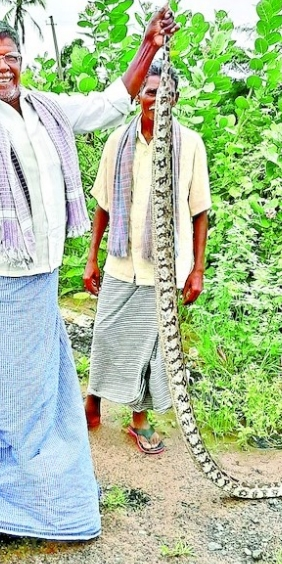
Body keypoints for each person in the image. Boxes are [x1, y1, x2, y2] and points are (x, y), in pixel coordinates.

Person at [0, 8, 179, 564]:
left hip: (38, 280)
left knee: (39, 401)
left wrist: (147, 46)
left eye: (11, 57)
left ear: (23, 63)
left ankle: (26, 508)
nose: (3, 67)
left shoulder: (46, 111)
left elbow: (110, 102)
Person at [81, 60, 211, 454]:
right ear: (139, 95)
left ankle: (138, 421)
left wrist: (198, 270)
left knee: (150, 347)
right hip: (122, 262)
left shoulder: (189, 145)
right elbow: (103, 205)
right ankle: (93, 401)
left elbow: (200, 210)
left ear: (178, 98)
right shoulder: (117, 142)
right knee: (104, 334)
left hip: (165, 268)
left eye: (167, 94)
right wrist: (91, 258)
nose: (159, 101)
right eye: (152, 92)